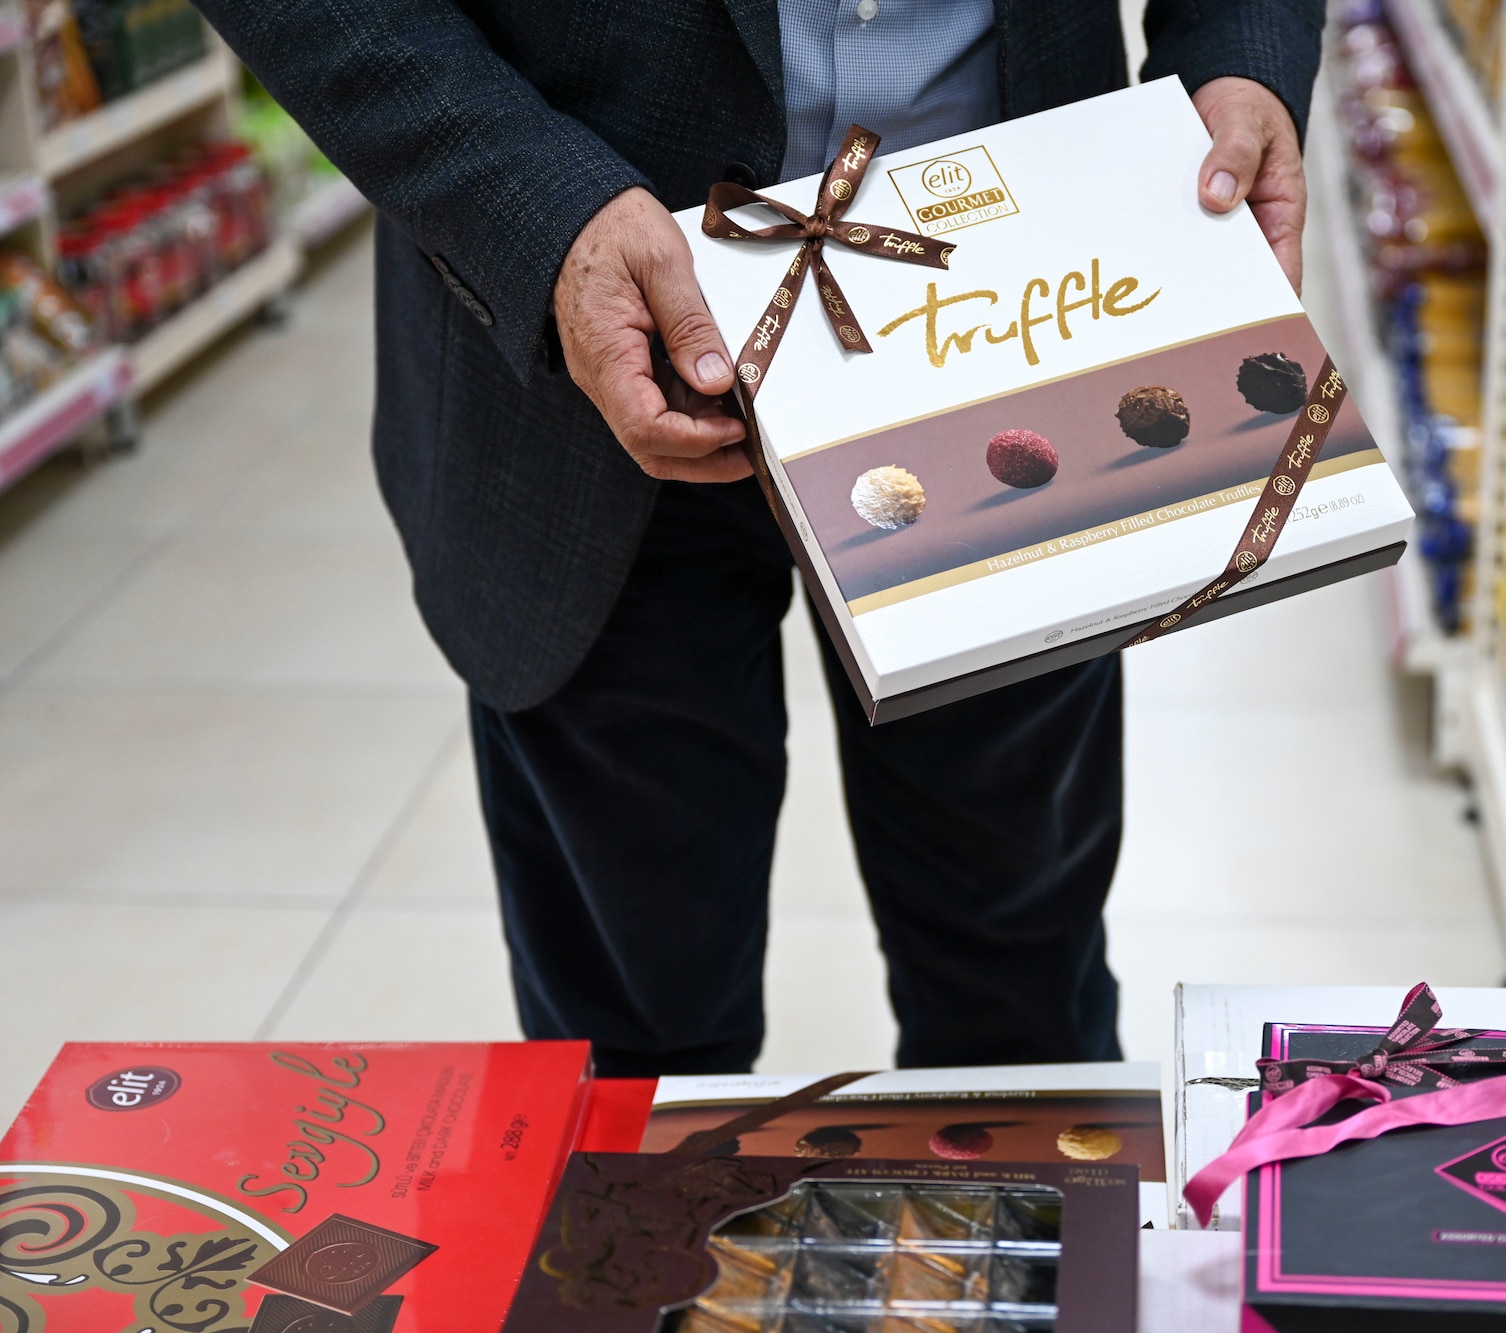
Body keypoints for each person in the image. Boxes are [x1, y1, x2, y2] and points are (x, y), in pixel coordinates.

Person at [192, 0, 1323, 1076]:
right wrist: (536, 208)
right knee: (631, 1036)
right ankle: (645, 1280)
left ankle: (1015, 1275)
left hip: (1011, 310)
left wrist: (1241, 48)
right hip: (590, 340)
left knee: (1018, 992)